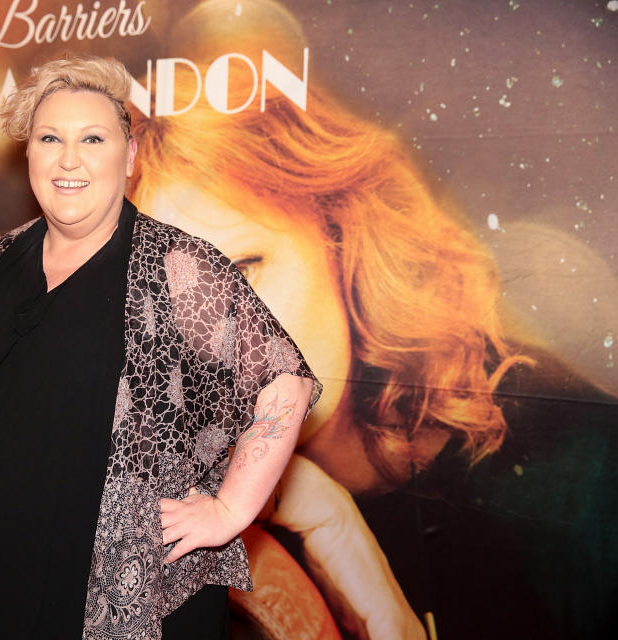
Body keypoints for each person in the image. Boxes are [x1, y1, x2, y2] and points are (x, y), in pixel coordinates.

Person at [125, 12, 618, 637]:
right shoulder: (179, 510)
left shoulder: (583, 479)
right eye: (165, 307)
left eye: (244, 270)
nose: (218, 343)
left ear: (341, 233)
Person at [0, 54, 321, 640]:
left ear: (127, 158)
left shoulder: (177, 268)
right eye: (50, 138)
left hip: (100, 596)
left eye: (92, 138)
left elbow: (286, 384)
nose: (68, 159)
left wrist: (229, 510)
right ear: (29, 155)